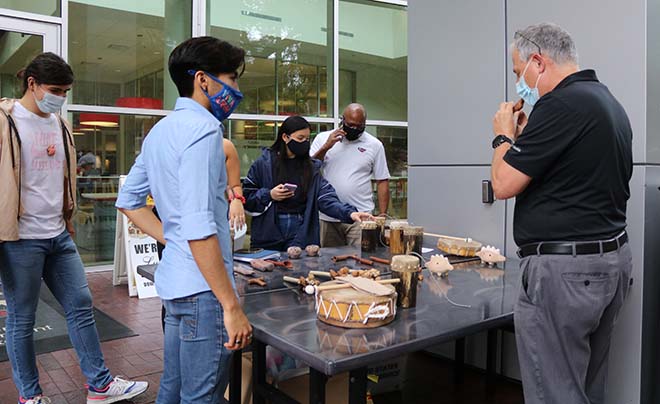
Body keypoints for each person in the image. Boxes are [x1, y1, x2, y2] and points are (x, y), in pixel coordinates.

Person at [490, 23, 633, 404]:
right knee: (584, 387)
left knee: (554, 392)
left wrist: (503, 136)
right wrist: (527, 140)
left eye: (520, 73)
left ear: (538, 62)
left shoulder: (559, 105)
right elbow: (571, 177)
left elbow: (503, 183)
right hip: (609, 262)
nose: (520, 83)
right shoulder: (607, 103)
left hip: (565, 276)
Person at [0, 53, 148, 404]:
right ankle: (30, 396)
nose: (61, 98)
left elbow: (63, 177)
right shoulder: (6, 121)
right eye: (56, 90)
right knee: (22, 318)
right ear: (31, 84)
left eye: (66, 91)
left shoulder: (60, 122)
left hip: (57, 235)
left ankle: (99, 385)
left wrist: (68, 217)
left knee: (81, 304)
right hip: (19, 239)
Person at [115, 37, 252, 403]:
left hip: (176, 286)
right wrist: (231, 306)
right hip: (204, 293)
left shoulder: (161, 131)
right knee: (201, 397)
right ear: (203, 80)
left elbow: (129, 201)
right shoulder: (205, 131)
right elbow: (198, 225)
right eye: (232, 78)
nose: (236, 89)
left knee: (172, 391)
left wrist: (172, 237)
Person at [243, 115, 372, 251]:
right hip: (268, 230)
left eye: (307, 139)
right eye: (300, 138)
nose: (304, 142)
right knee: (268, 269)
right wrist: (269, 194)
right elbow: (247, 197)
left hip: (300, 230)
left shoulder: (311, 167)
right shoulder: (264, 164)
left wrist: (350, 213)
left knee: (298, 268)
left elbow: (326, 198)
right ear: (285, 137)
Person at [310, 103, 390, 248]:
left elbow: (382, 180)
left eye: (359, 126)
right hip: (328, 217)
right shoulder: (323, 139)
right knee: (328, 262)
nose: (354, 129)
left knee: (362, 261)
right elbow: (310, 169)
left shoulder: (374, 145)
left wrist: (383, 214)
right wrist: (326, 147)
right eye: (351, 125)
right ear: (342, 120)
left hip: (361, 215)